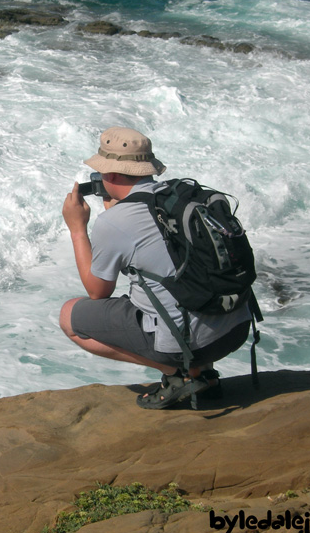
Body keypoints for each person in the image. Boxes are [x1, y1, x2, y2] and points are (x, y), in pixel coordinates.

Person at [59, 127, 252, 409]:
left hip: (192, 346)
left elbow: (97, 291)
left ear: (110, 174)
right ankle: (205, 375)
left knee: (69, 317)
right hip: (234, 329)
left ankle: (180, 374)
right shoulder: (180, 197)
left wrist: (78, 229)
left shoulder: (115, 223)